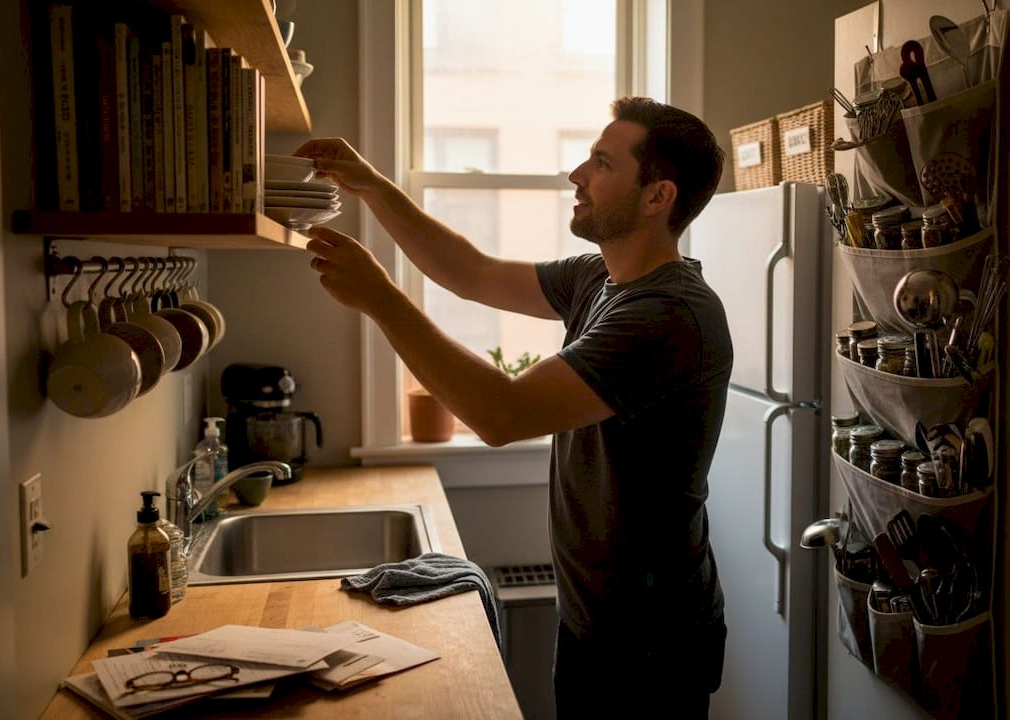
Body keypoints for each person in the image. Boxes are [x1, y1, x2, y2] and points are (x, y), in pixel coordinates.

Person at [296, 96, 732, 718]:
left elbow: (501, 415)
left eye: (601, 164)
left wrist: (382, 299)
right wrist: (370, 184)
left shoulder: (666, 316)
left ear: (657, 197)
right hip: (597, 618)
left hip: (649, 641)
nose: (575, 175)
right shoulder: (596, 279)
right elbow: (470, 272)